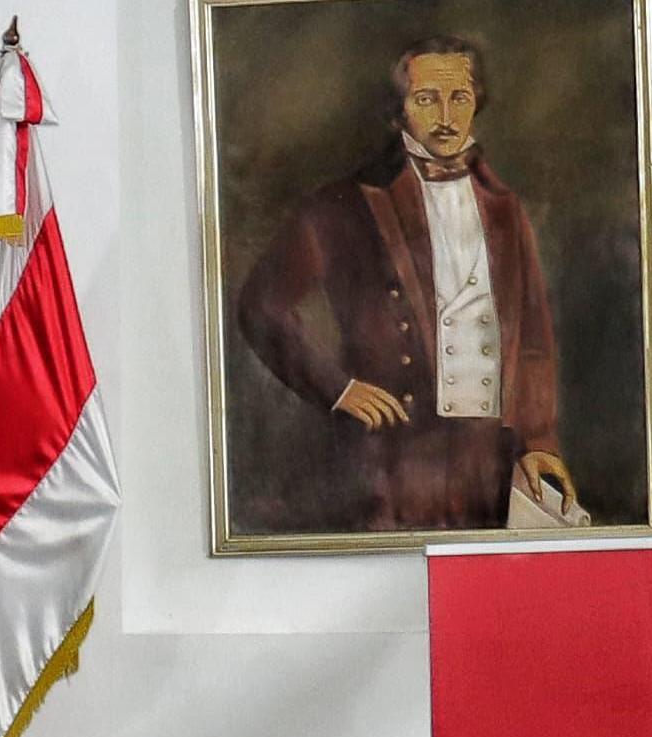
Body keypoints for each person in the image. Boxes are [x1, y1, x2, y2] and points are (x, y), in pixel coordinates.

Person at [227, 32, 572, 535]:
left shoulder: (505, 209)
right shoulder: (343, 205)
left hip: (486, 461)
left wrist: (539, 440)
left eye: (459, 97)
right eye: (426, 99)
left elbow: (535, 339)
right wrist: (337, 388)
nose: (447, 116)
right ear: (398, 111)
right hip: (390, 461)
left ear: (477, 101)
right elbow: (261, 306)